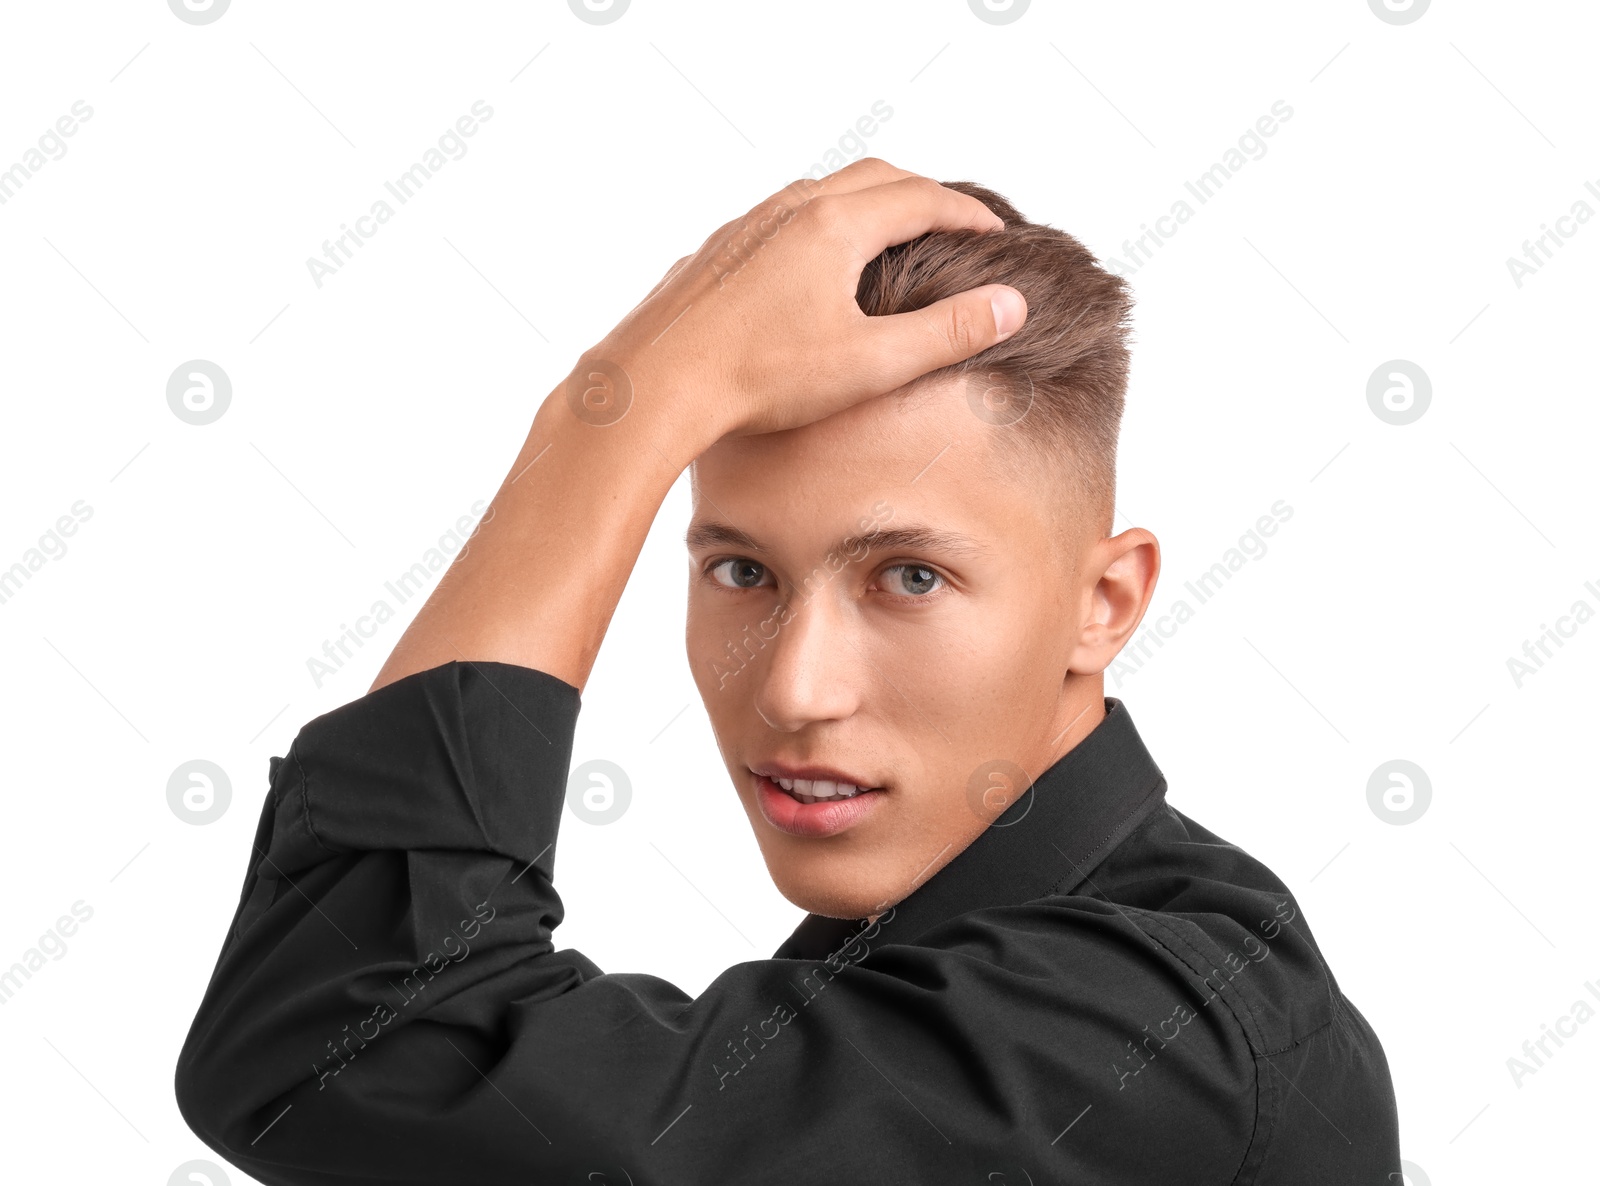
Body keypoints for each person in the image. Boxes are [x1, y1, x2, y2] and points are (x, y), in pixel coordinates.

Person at [174, 158, 1401, 1182]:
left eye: (909, 577)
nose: (795, 690)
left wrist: (617, 416)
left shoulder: (1142, 1033)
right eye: (742, 574)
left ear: (1103, 602)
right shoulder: (926, 971)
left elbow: (341, 1037)